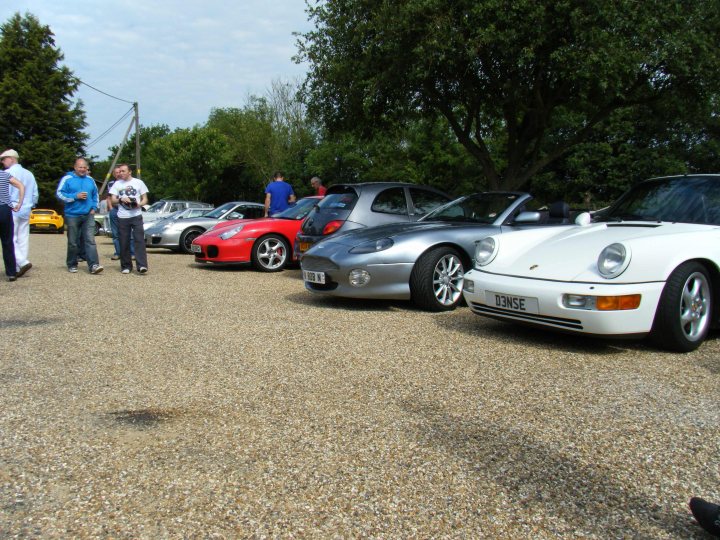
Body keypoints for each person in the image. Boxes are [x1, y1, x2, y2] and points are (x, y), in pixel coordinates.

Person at [56, 158, 103, 274]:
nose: (82, 169)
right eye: (80, 167)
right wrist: (75, 196)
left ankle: (94, 265)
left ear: (87, 168)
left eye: (84, 167)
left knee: (90, 240)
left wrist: (94, 207)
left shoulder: (90, 180)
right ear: (75, 167)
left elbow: (95, 195)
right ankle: (72, 263)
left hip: (88, 214)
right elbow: (59, 193)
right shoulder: (67, 179)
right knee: (73, 241)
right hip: (72, 215)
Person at [1, 149, 38, 278]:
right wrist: (29, 205)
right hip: (26, 209)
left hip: (12, 208)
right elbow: (35, 193)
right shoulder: (29, 174)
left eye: (4, 159)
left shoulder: (8, 173)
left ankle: (22, 262)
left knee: (11, 238)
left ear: (11, 158)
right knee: (23, 238)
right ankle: (19, 265)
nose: (2, 162)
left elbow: (6, 192)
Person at [109, 163, 149, 274]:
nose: (121, 173)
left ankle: (141, 265)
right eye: (120, 171)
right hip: (122, 216)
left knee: (139, 240)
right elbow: (113, 200)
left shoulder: (138, 182)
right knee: (124, 241)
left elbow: (145, 198)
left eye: (123, 171)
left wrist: (139, 204)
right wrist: (121, 199)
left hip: (136, 215)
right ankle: (126, 266)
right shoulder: (117, 184)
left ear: (130, 171)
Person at [0, 167, 25, 281]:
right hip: (4, 209)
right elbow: (21, 185)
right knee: (7, 242)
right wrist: (19, 203)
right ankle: (11, 273)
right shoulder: (5, 175)